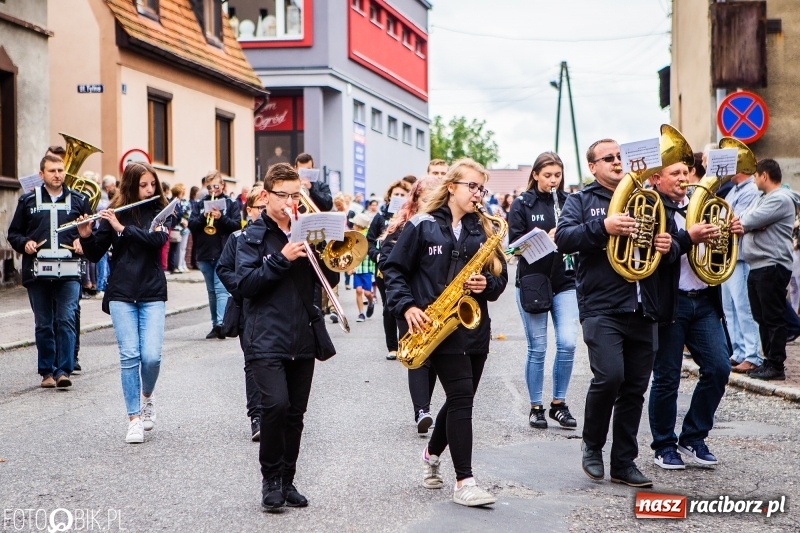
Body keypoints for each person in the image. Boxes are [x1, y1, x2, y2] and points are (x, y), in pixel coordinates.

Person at [383, 158, 508, 507]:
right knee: (463, 398)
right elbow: (393, 269)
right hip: (436, 326)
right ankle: (465, 481)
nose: (478, 194)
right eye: (472, 186)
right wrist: (407, 306)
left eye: (481, 188)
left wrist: (488, 284)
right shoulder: (421, 225)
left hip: (474, 326)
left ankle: (431, 455)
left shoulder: (484, 228)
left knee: (458, 400)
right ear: (452, 186)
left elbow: (500, 279)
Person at [555, 138, 674, 488]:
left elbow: (668, 244)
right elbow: (564, 239)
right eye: (608, 158)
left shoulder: (649, 199)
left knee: (635, 388)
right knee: (609, 377)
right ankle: (592, 445)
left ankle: (624, 462)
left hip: (643, 304)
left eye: (620, 157)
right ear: (592, 167)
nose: (617, 162)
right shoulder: (580, 200)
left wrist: (667, 246)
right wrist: (603, 227)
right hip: (602, 306)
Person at [236, 163, 320, 512]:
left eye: (295, 194)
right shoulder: (252, 236)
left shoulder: (306, 231)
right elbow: (245, 285)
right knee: (275, 406)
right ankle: (270, 480)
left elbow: (325, 278)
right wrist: (281, 259)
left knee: (295, 414)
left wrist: (327, 253)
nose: (289, 201)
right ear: (266, 195)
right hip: (265, 335)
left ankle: (287, 480)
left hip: (302, 332)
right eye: (282, 195)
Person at [647, 160, 737, 470]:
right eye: (675, 173)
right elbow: (659, 255)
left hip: (704, 300)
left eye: (686, 173)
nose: (683, 178)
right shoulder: (651, 208)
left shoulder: (703, 207)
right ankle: (663, 444)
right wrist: (689, 237)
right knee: (667, 377)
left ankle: (694, 436)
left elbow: (719, 254)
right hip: (671, 302)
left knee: (719, 368)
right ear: (657, 179)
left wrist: (730, 233)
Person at [76, 162, 172, 443]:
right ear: (130, 185)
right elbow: (95, 254)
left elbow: (156, 241)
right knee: (129, 356)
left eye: (152, 184)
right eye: (143, 185)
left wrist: (122, 228)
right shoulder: (113, 214)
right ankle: (134, 418)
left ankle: (147, 396)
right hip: (121, 292)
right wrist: (87, 236)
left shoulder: (160, 211)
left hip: (152, 291)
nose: (149, 190)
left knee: (151, 356)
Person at [508, 152, 579, 430]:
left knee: (569, 342)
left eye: (557, 175)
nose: (553, 181)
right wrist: (542, 237)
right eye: (547, 175)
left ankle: (559, 404)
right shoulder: (522, 204)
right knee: (538, 348)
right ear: (536, 174)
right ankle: (535, 406)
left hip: (565, 279)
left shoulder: (570, 201)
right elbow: (513, 247)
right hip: (533, 280)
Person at [8, 154, 89, 388]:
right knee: (44, 323)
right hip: (37, 271)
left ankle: (64, 370)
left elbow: (89, 234)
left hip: (70, 271)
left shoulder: (78, 200)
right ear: (41, 174)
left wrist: (82, 242)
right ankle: (47, 372)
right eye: (52, 171)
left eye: (61, 170)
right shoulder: (27, 201)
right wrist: (25, 243)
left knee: (66, 319)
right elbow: (14, 234)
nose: (57, 175)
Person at [381, 177, 439, 432]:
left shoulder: (443, 225)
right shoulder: (401, 225)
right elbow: (385, 259)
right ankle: (422, 410)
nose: (430, 203)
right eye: (425, 198)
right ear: (415, 199)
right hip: (409, 300)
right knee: (418, 356)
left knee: (435, 357)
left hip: (435, 302)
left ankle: (424, 404)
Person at [740, 159, 799, 381]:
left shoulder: (781, 199)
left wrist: (750, 223)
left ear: (764, 175)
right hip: (758, 265)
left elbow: (748, 219)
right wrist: (750, 222)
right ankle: (768, 362)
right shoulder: (762, 199)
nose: (754, 180)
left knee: (772, 317)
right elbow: (744, 217)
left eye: (755, 175)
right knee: (760, 315)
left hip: (772, 264)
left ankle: (776, 365)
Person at [217, 185, 265, 442]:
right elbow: (223, 268)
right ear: (250, 210)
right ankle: (257, 417)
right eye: (261, 208)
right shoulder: (237, 238)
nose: (265, 212)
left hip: (273, 309)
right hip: (246, 306)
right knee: (252, 362)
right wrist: (242, 290)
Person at [188, 171, 241, 339]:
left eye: (216, 186)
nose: (212, 190)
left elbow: (236, 225)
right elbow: (191, 225)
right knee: (211, 291)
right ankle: (215, 324)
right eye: (209, 187)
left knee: (220, 289)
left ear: (223, 185)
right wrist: (204, 218)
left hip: (223, 252)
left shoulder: (231, 203)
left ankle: (221, 324)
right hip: (204, 253)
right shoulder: (200, 204)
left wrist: (221, 217)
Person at [722, 171, 764, 373]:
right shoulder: (733, 190)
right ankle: (738, 352)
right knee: (729, 307)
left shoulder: (750, 190)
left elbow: (735, 221)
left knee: (743, 308)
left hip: (739, 256)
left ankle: (753, 355)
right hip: (727, 256)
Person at [367, 179, 412, 359]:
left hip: (405, 266)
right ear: (389, 196)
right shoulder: (380, 218)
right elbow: (369, 240)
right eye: (396, 195)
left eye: (403, 195)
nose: (399, 197)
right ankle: (392, 347)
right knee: (388, 307)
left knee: (406, 303)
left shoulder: (411, 216)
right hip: (383, 267)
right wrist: (376, 255)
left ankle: (406, 344)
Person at [349, 212, 376, 322]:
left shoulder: (368, 236)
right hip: (357, 268)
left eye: (354, 224)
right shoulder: (352, 236)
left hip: (367, 268)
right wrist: (349, 267)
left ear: (359, 225)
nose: (353, 226)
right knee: (359, 291)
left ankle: (371, 302)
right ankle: (361, 313)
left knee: (367, 293)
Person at [167, 183, 188, 273]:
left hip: (177, 227)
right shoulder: (174, 202)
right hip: (173, 227)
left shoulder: (177, 202)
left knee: (175, 248)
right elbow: (177, 215)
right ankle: (172, 267)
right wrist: (181, 218)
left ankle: (174, 266)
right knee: (173, 248)